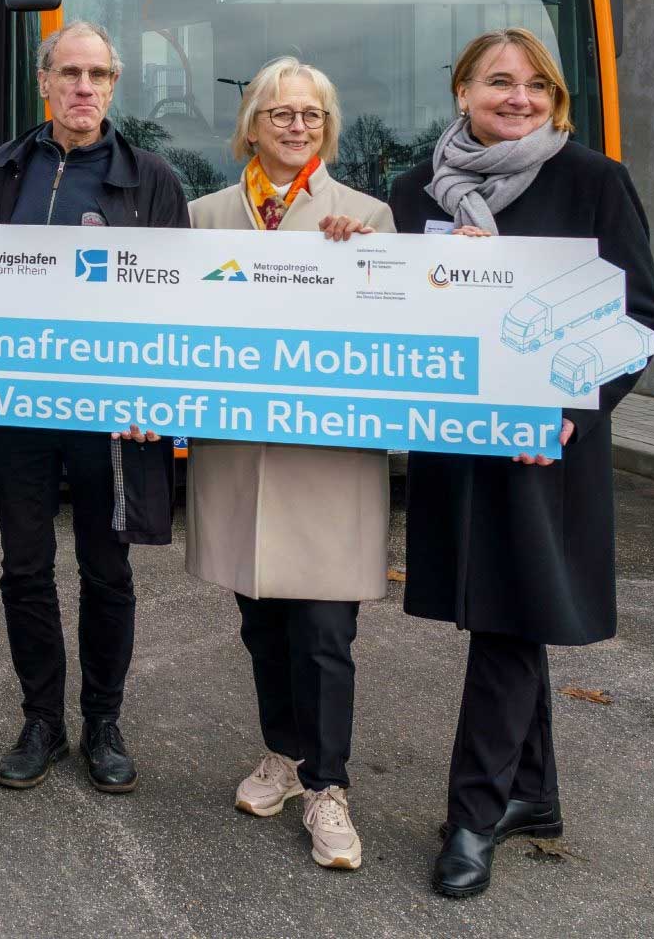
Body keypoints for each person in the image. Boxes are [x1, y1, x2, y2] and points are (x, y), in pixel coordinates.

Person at [386, 28, 654, 898]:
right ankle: (530, 792)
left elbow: (639, 316)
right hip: (457, 444)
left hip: (547, 445)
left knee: (509, 616)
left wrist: (575, 408)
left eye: (537, 85)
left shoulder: (593, 180)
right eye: (500, 81)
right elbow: (397, 307)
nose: (519, 97)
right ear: (463, 91)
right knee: (510, 608)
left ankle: (473, 814)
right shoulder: (416, 190)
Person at [185, 57, 395, 871]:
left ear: (327, 127)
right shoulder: (204, 217)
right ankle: (283, 750)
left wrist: (369, 263)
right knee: (262, 622)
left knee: (324, 630)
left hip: (328, 460)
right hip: (241, 455)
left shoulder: (366, 217)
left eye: (311, 114)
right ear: (252, 126)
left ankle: (328, 785)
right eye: (281, 113)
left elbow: (394, 325)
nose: (297, 126)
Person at [0, 21, 189, 793]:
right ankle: (41, 720)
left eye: (98, 74)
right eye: (69, 72)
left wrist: (158, 394)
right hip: (20, 407)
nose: (83, 86)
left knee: (107, 570)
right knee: (23, 567)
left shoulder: (151, 179)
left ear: (113, 85)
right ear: (43, 81)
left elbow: (179, 301)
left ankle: (103, 721)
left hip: (113, 414)